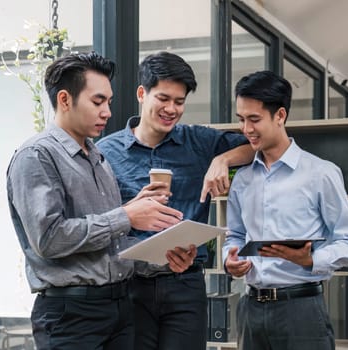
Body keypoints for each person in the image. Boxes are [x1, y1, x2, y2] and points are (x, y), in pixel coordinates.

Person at [6, 52, 183, 350]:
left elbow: (111, 247)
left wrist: (164, 259)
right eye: (97, 102)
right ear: (65, 100)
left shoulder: (98, 158)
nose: (107, 112)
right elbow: (49, 239)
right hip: (71, 317)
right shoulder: (36, 156)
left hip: (119, 309)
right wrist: (126, 216)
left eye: (109, 103)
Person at [96, 51, 254, 350]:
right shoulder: (106, 151)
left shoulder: (199, 141)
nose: (171, 109)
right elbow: (99, 218)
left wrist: (222, 159)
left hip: (185, 285)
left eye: (179, 102)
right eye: (163, 99)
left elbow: (254, 146)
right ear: (142, 94)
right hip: (129, 286)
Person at [222, 70, 348, 350]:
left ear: (280, 116)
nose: (246, 129)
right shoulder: (242, 179)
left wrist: (309, 259)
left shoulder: (320, 173)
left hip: (302, 311)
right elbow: (235, 236)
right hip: (251, 310)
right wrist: (231, 261)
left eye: (254, 119)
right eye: (241, 119)